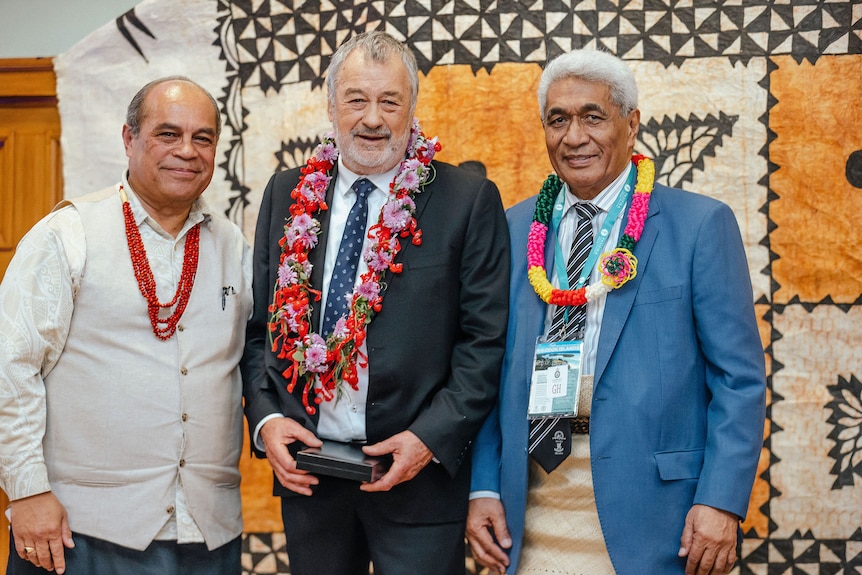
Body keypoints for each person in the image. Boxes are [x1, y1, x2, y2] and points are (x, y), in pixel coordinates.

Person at [466, 49, 766, 575]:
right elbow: (484, 369)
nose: (574, 136)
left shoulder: (698, 226)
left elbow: (738, 380)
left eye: (592, 116)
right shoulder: (510, 231)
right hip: (529, 511)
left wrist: (720, 500)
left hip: (657, 518)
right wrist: (484, 485)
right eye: (558, 120)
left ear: (631, 125)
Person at [241, 31, 509, 575]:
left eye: (390, 101)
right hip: (309, 474)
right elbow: (256, 332)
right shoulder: (286, 193)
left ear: (413, 109)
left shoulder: (466, 200)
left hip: (419, 481)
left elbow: (485, 343)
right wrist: (267, 419)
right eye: (357, 99)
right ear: (331, 104)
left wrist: (427, 438)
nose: (372, 118)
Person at [0, 76, 252, 575]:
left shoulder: (233, 247)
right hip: (81, 533)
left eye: (203, 137)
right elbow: (11, 366)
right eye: (167, 134)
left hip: (207, 533)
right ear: (129, 139)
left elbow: (259, 358)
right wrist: (27, 491)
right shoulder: (68, 235)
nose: (187, 151)